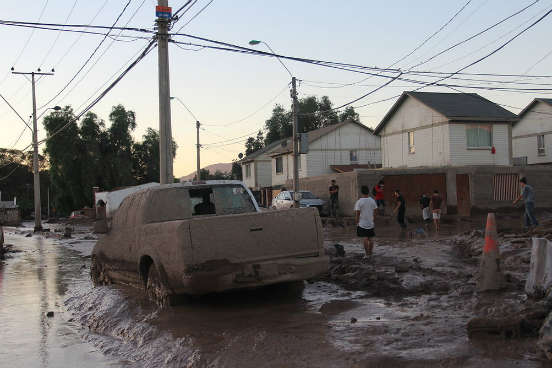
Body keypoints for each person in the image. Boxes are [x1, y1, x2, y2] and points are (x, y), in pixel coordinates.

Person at [354, 185, 378, 258]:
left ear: (361, 192)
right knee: (371, 238)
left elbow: (357, 213)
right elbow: (376, 210)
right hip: (371, 223)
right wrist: (373, 219)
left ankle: (367, 254)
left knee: (365, 238)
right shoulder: (372, 200)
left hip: (362, 223)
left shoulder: (359, 201)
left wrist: (356, 221)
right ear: (368, 191)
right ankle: (370, 253)